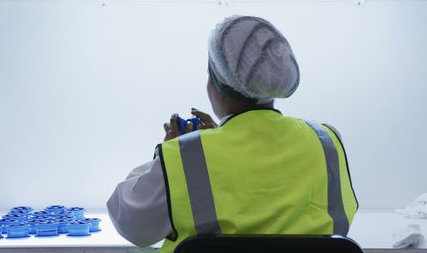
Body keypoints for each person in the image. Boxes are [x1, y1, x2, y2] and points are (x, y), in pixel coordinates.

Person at [107, 15, 358, 253]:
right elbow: (342, 219)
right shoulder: (327, 141)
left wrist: (167, 157)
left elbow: (131, 225)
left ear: (217, 83)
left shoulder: (184, 156)